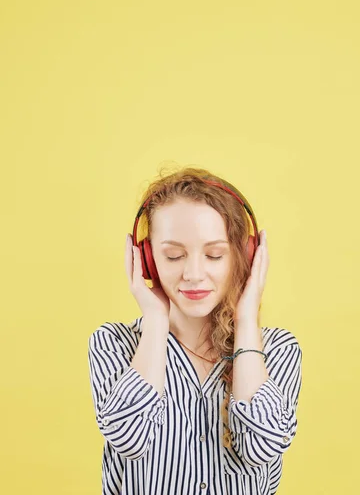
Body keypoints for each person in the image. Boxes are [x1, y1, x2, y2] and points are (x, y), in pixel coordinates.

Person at [88, 166, 303, 495]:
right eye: (174, 256)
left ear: (243, 257)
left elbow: (262, 448)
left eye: (214, 255)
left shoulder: (278, 350)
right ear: (146, 260)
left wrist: (246, 320)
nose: (193, 274)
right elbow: (129, 439)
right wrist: (156, 321)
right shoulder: (112, 344)